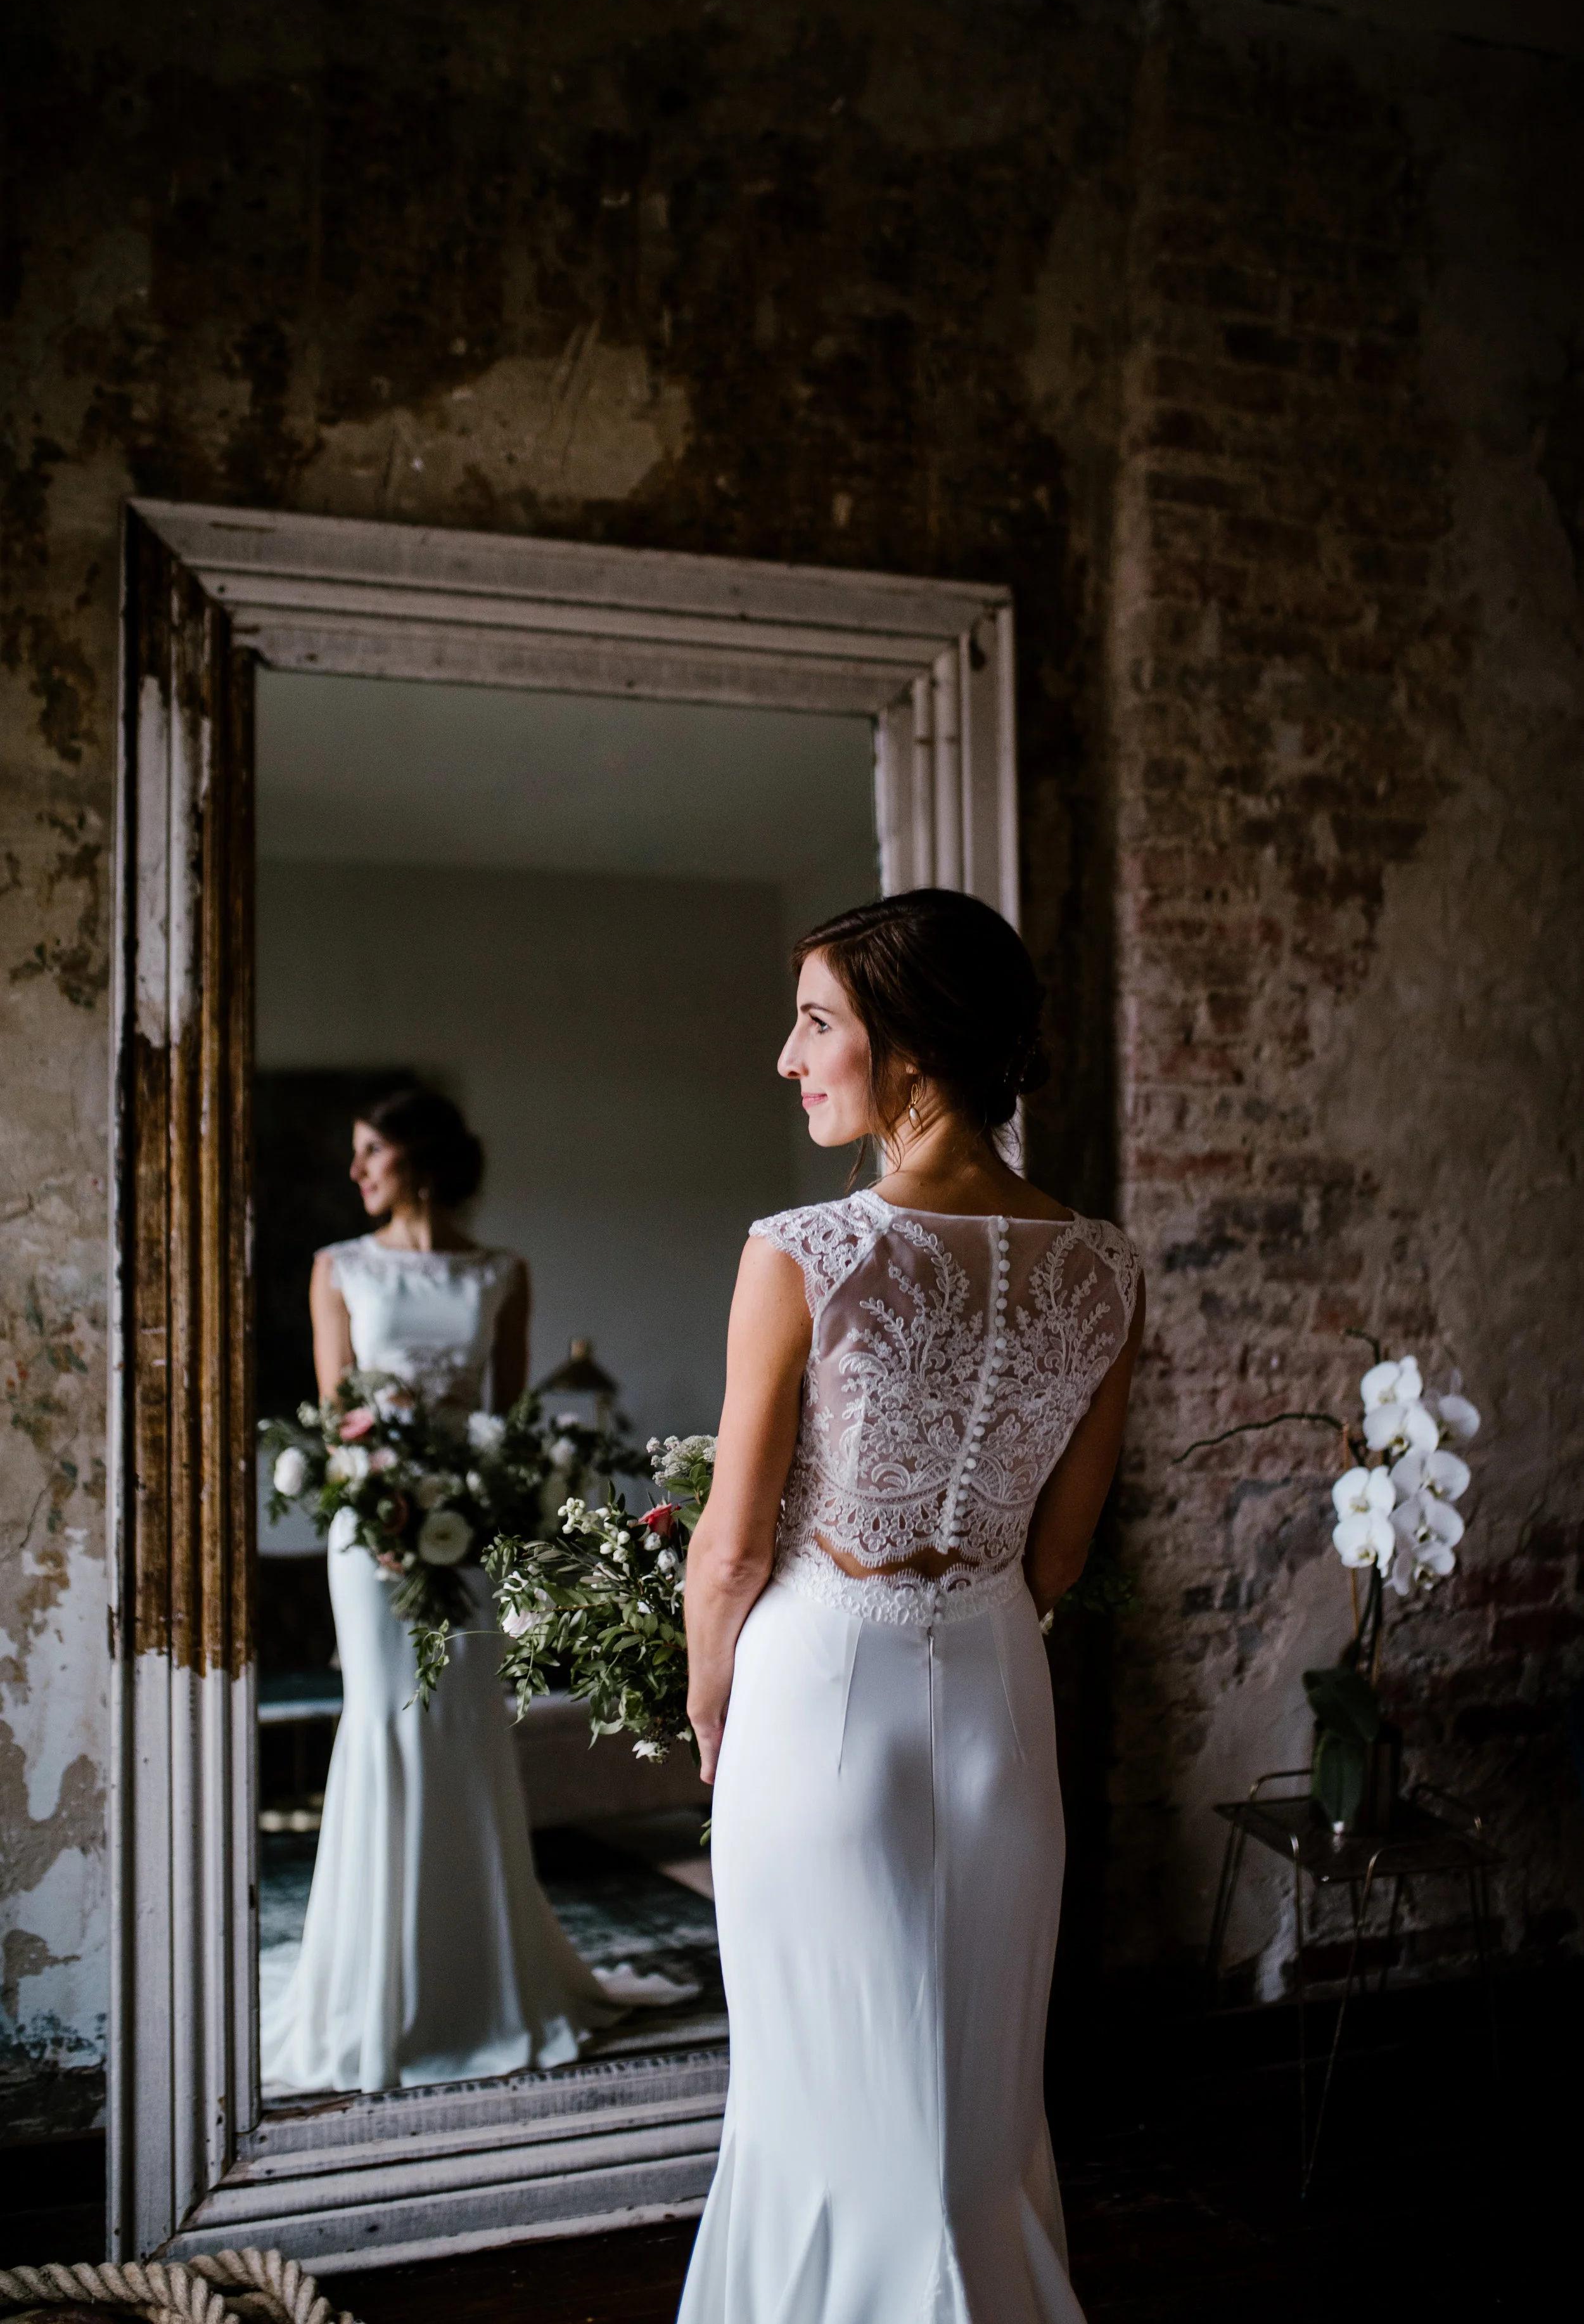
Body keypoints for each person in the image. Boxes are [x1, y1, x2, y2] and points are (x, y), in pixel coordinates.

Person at [677, 891, 1144, 2324]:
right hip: (1002, 1692)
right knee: (976, 2113)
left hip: (818, 1694)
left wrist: (708, 1703)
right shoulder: (1104, 1266)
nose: (788, 1056)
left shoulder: (801, 1250)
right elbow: (1062, 1553)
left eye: (816, 1023)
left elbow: (729, 1553)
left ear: (915, 1048)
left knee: (821, 2105)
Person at [260, 1084, 678, 2095]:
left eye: (371, 1152)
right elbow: (337, 1417)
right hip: (373, 1537)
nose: (356, 1171)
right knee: (388, 1723)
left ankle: (481, 1974)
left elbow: (508, 1425)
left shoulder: (501, 1273)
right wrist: (382, 1506)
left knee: (466, 1729)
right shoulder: (338, 1269)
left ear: (418, 1159)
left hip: (474, 1527)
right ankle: (378, 1986)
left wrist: (498, 1501)